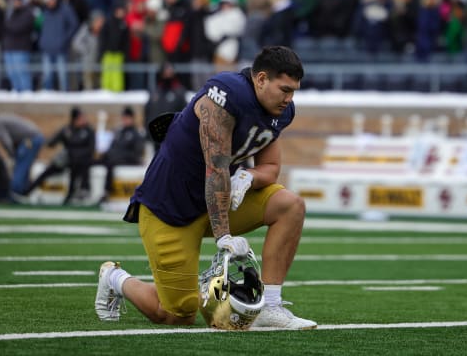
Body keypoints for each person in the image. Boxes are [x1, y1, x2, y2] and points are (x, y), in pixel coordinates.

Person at [95, 46, 316, 330]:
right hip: (171, 207)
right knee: (178, 314)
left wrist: (249, 177)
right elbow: (216, 168)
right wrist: (223, 235)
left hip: (218, 199)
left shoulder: (279, 111)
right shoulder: (226, 95)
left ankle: (271, 306)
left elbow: (271, 167)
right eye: (284, 89)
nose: (289, 99)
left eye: (293, 91)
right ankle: (114, 278)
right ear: (261, 79)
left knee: (290, 206)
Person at [23, 107, 95, 205]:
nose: (84, 120)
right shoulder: (67, 130)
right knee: (47, 171)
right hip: (67, 160)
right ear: (74, 119)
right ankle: (27, 191)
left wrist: (75, 154)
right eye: (81, 118)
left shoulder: (89, 131)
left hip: (80, 161)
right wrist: (45, 142)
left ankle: (71, 196)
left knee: (76, 170)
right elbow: (52, 142)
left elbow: (91, 149)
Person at [0, 112, 44, 198]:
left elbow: (6, 140)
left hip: (30, 140)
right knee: (24, 167)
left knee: (20, 167)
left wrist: (12, 154)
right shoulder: (1, 118)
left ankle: (16, 192)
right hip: (34, 138)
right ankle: (24, 192)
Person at [97, 106, 145, 204]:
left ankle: (107, 192)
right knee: (96, 161)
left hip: (129, 160)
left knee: (110, 163)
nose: (124, 120)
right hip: (115, 158)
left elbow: (137, 153)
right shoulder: (118, 132)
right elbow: (112, 147)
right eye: (123, 118)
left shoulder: (136, 134)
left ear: (132, 119)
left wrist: (120, 154)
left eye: (126, 118)